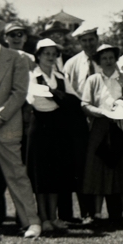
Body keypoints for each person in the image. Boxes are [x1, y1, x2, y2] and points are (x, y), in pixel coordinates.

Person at [0, 14, 41, 238]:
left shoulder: (16, 57)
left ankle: (32, 222)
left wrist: (1, 116)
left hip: (7, 125)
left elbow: (19, 92)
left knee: (17, 174)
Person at [80, 44, 123, 225]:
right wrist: (101, 112)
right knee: (97, 169)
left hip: (122, 126)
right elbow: (85, 104)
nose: (108, 62)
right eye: (104, 59)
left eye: (111, 58)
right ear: (99, 62)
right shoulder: (93, 80)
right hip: (100, 126)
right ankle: (97, 213)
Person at [25, 39, 85, 233]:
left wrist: (53, 94)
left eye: (54, 54)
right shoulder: (32, 76)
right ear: (39, 55)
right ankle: (44, 219)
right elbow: (36, 102)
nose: (50, 57)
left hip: (58, 130)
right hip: (40, 129)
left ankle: (53, 216)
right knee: (41, 175)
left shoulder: (60, 76)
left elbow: (75, 101)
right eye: (47, 54)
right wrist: (60, 98)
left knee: (56, 174)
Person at [62, 20, 102, 222]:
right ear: (80, 42)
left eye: (91, 39)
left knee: (103, 163)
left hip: (104, 120)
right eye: (84, 40)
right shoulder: (72, 64)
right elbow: (69, 94)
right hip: (79, 121)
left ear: (97, 39)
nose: (88, 44)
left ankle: (104, 210)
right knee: (81, 166)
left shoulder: (105, 58)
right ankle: (86, 211)